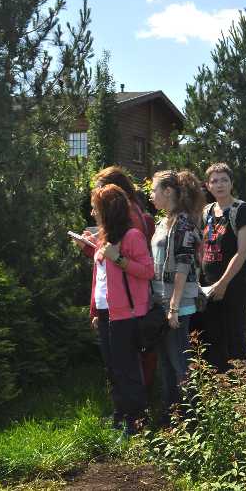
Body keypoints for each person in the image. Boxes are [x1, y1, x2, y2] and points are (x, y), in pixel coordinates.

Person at [72, 166, 158, 392]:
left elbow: (137, 266)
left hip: (124, 306)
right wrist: (92, 247)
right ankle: (125, 411)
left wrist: (112, 256)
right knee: (119, 364)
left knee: (126, 365)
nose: (92, 212)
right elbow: (108, 263)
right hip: (113, 303)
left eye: (101, 191)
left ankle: (135, 413)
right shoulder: (118, 225)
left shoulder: (130, 224)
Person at [87, 184, 154, 436]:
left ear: (108, 210)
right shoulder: (104, 238)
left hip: (126, 314)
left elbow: (148, 271)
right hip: (106, 312)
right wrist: (95, 310)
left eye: (96, 208)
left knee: (127, 367)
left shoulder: (132, 236)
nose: (93, 213)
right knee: (112, 367)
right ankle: (120, 414)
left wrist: (119, 259)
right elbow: (101, 279)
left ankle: (136, 421)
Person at [149, 170, 204, 423]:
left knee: (180, 364)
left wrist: (172, 307)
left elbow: (183, 266)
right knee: (167, 365)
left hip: (177, 306)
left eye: (154, 190)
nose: (151, 195)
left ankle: (193, 420)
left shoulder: (183, 223)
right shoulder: (163, 222)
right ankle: (173, 417)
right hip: (162, 302)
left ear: (168, 192)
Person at [200, 163, 246, 372]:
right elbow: (203, 246)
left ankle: (244, 388)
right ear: (208, 185)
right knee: (213, 337)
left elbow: (242, 252)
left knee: (235, 337)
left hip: (233, 285)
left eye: (224, 180)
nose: (219, 184)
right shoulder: (207, 211)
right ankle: (220, 386)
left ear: (231, 183)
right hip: (208, 286)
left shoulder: (242, 209)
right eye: (214, 181)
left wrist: (223, 283)